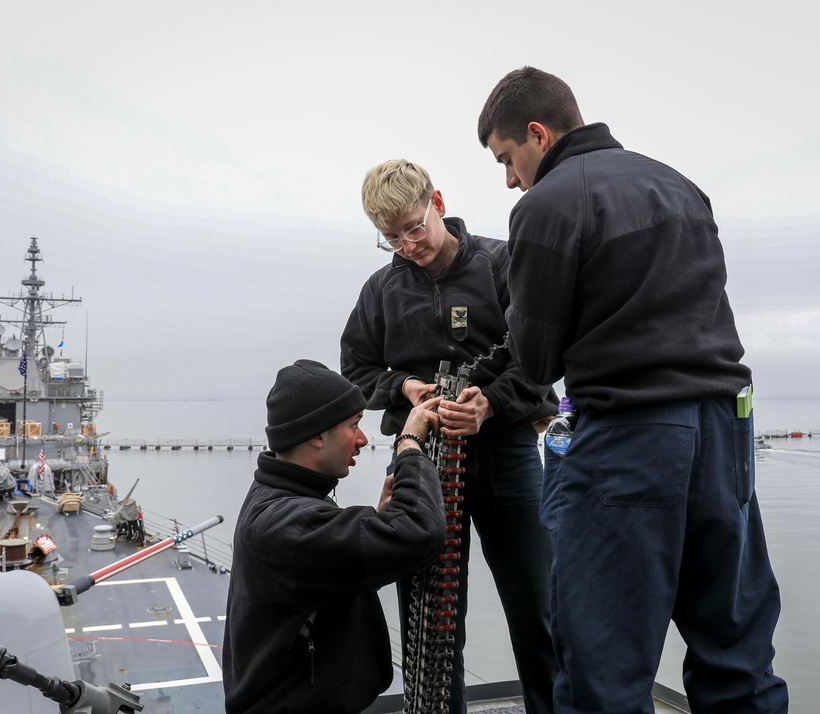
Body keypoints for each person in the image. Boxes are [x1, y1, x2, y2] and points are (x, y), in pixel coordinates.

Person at [476, 66, 789, 714]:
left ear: (537, 133)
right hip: (725, 429)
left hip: (628, 439)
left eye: (507, 158)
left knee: (601, 675)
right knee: (737, 658)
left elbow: (536, 364)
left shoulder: (544, 206)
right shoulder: (682, 187)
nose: (508, 177)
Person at [340, 160, 559, 714]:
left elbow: (541, 358)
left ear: (438, 201)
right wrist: (404, 387)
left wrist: (490, 404)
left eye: (414, 227)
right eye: (391, 237)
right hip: (420, 461)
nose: (406, 244)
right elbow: (356, 372)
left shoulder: (502, 263)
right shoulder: (381, 290)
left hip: (507, 452)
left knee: (540, 609)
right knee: (431, 622)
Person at [222, 359, 446, 714]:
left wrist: (379, 521)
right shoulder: (288, 525)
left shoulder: (277, 494)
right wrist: (409, 444)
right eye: (354, 425)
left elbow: (327, 557)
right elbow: (420, 532)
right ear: (316, 435)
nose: (362, 439)